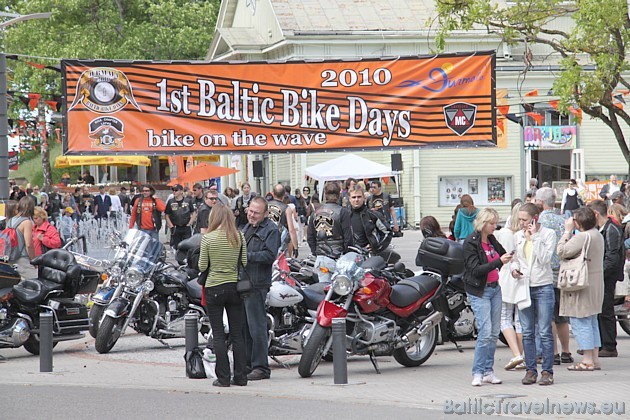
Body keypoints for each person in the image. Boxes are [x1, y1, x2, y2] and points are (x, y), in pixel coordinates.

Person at [198, 204, 248, 387]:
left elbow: (202, 266)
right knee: (237, 334)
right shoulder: (239, 236)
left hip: (214, 288)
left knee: (218, 334)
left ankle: (224, 378)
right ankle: (241, 377)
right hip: (235, 287)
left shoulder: (208, 238)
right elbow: (244, 261)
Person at [463, 207, 513, 386]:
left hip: (494, 289)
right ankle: (477, 372)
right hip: (479, 290)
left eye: (496, 223)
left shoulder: (492, 240)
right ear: (483, 224)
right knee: (485, 332)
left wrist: (511, 264)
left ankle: (488, 371)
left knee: (493, 333)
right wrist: (498, 262)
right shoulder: (471, 243)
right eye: (492, 223)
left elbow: (504, 254)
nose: (495, 226)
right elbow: (475, 270)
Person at [510, 203, 558, 386]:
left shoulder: (547, 234)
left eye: (524, 219)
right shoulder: (518, 236)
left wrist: (535, 237)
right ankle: (531, 370)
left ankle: (547, 371)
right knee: (527, 331)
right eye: (519, 219)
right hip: (524, 285)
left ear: (534, 218)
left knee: (545, 331)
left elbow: (545, 259)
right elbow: (515, 259)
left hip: (543, 285)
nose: (521, 223)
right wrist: (514, 270)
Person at [556, 207, 605, 371]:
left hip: (581, 283)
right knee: (591, 321)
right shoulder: (596, 234)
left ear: (579, 222)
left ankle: (587, 360)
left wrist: (567, 231)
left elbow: (561, 251)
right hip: (596, 281)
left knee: (580, 320)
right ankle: (595, 358)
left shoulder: (582, 236)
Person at [241, 196, 281, 380]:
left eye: (256, 213)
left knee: (257, 327)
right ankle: (248, 364)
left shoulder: (271, 230)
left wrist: (246, 255)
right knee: (245, 327)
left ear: (265, 214)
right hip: (243, 282)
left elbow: (269, 255)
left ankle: (261, 367)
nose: (252, 215)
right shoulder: (247, 226)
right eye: (250, 211)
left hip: (257, 284)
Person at [534, 187, 573, 366]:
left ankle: (554, 353)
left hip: (546, 274)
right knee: (562, 316)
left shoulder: (540, 221)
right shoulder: (563, 220)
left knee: (547, 317)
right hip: (563, 272)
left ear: (541, 202)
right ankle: (566, 351)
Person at [587, 199, 624, 357]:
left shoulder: (611, 230)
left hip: (606, 277)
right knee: (601, 309)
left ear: (596, 214)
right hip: (603, 275)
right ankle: (602, 343)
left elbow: (612, 258)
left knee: (606, 309)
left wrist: (598, 274)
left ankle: (609, 345)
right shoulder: (604, 228)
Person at [495, 203, 525, 371]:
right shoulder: (523, 235)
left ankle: (516, 354)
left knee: (505, 318)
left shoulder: (504, 233)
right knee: (520, 320)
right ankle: (521, 354)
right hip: (521, 276)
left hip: (505, 276)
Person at [307, 182, 352, 259]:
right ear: (339, 194)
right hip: (339, 255)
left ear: (325, 194)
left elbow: (310, 237)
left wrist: (315, 252)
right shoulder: (342, 212)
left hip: (320, 254)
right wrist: (346, 253)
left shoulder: (315, 213)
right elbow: (348, 237)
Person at [348, 185, 392, 253]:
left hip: (368, 255)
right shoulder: (344, 216)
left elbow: (387, 232)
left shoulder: (373, 215)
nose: (356, 200)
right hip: (349, 255)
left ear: (364, 198)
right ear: (349, 199)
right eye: (354, 197)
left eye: (359, 197)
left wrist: (376, 247)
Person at [7, 197, 36, 279]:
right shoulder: (26, 222)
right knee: (33, 285)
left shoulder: (11, 220)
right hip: (23, 260)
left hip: (11, 257)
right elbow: (29, 245)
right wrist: (34, 260)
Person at [267, 184, 296, 253]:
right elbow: (291, 229)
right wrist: (295, 245)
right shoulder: (286, 208)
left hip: (266, 236)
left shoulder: (266, 205)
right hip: (279, 237)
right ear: (284, 194)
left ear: (273, 194)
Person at [165, 184, 194, 249]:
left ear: (181, 191)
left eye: (176, 190)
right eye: (173, 190)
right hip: (175, 227)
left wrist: (190, 223)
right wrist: (170, 225)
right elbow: (167, 214)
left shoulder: (188, 201)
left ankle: (186, 257)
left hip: (186, 226)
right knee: (176, 245)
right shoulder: (171, 202)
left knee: (187, 245)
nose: (174, 192)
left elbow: (193, 212)